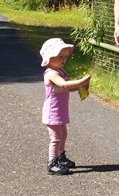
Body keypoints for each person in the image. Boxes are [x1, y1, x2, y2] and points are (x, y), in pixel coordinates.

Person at [40, 38, 92, 175]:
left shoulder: (61, 71)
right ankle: (52, 162)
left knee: (63, 135)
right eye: (59, 56)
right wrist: (80, 81)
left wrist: (79, 86)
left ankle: (61, 156)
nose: (63, 59)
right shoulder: (51, 73)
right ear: (49, 57)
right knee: (56, 137)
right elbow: (63, 85)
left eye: (64, 56)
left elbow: (66, 89)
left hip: (60, 111)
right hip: (52, 112)